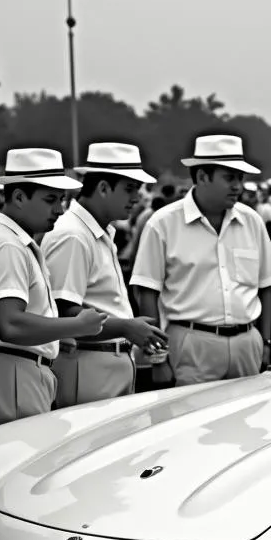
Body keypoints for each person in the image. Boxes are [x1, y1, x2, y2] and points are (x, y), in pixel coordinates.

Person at [0, 150, 107, 433]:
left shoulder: (11, 241)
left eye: (61, 200)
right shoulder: (6, 245)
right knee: (12, 466)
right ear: (18, 197)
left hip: (14, 371)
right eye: (50, 199)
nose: (60, 210)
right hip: (9, 373)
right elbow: (10, 324)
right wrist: (74, 325)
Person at [130, 135, 271, 386]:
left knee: (247, 421)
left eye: (240, 178)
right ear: (202, 177)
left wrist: (264, 343)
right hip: (191, 343)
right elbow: (147, 295)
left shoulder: (252, 221)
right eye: (229, 177)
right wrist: (159, 359)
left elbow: (267, 286)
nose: (238, 186)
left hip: (247, 341)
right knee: (192, 420)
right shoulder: (163, 223)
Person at [41, 143, 167, 407]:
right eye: (129, 189)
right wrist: (125, 327)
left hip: (104, 364)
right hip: (87, 367)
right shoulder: (73, 235)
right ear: (103, 188)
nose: (137, 198)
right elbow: (64, 317)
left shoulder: (97, 232)